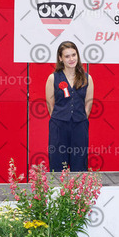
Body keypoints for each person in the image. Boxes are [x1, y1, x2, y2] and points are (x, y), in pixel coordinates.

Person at [45, 41, 94, 172]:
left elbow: (88, 104)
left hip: (80, 126)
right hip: (58, 127)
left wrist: (79, 119)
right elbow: (50, 105)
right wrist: (61, 118)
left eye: (74, 55)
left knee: (80, 164)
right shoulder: (53, 78)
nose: (71, 59)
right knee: (57, 163)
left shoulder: (87, 78)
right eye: (67, 56)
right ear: (60, 58)